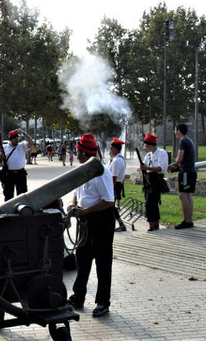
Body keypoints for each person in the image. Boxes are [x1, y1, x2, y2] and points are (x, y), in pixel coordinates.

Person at [67, 133, 115, 317]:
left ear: (83, 152)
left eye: (77, 151)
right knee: (82, 260)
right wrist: (73, 203)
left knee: (102, 263)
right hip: (85, 221)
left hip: (101, 220)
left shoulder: (101, 172)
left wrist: (85, 211)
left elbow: (109, 201)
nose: (76, 154)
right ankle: (78, 296)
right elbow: (78, 194)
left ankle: (103, 302)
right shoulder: (83, 171)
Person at [168, 124, 196, 229]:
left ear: (178, 131)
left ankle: (186, 221)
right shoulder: (189, 140)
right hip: (191, 171)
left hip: (185, 173)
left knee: (183, 195)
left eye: (175, 130)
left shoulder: (183, 141)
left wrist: (172, 165)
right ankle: (189, 220)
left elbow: (179, 158)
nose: (175, 132)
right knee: (188, 195)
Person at [140, 133, 168, 232]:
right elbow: (144, 168)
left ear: (150, 144)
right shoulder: (148, 155)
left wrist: (146, 168)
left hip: (157, 180)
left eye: (146, 145)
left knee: (150, 203)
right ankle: (155, 224)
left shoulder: (161, 153)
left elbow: (160, 168)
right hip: (149, 180)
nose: (144, 147)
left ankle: (151, 225)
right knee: (151, 203)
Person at [1, 129, 34, 201]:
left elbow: (31, 143)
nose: (17, 140)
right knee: (8, 195)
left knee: (22, 194)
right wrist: (1, 157)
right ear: (10, 139)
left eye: (18, 138)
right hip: (9, 174)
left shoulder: (22, 145)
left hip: (20, 173)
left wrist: (24, 133)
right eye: (15, 138)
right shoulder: (4, 147)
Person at [109, 137, 127, 232]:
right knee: (111, 206)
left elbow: (114, 177)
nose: (110, 150)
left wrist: (110, 189)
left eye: (111, 148)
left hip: (114, 185)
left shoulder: (116, 161)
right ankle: (120, 223)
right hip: (116, 185)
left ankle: (120, 223)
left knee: (110, 206)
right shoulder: (118, 159)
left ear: (115, 149)